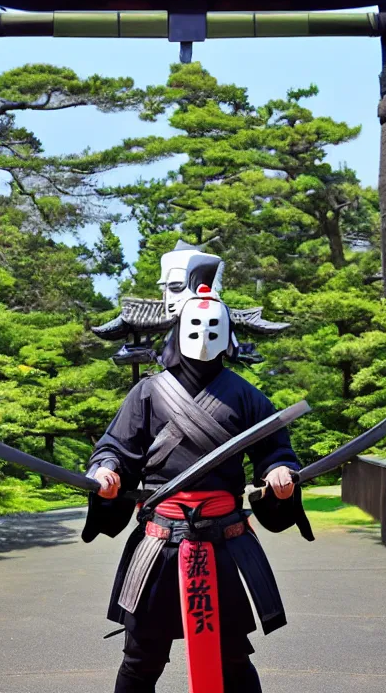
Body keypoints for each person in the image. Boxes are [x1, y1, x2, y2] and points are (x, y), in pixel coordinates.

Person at [83, 286, 307, 693]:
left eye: (212, 326)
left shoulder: (246, 395)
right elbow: (115, 448)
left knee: (232, 657)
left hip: (222, 539)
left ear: (225, 335)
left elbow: (275, 451)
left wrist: (278, 474)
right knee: (142, 655)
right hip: (161, 542)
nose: (203, 334)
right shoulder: (147, 392)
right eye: (196, 325)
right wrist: (108, 471)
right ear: (179, 330)